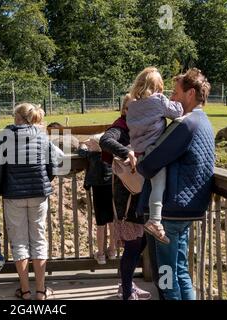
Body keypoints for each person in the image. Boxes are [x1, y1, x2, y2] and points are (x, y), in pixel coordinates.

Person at [136, 68, 215, 300]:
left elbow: (150, 163)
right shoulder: (204, 122)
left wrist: (140, 161)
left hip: (170, 213)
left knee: (166, 275)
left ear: (190, 93)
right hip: (188, 210)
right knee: (179, 271)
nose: (171, 98)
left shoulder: (185, 124)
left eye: (175, 93)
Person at [0, 103, 64, 300]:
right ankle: (41, 291)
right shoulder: (41, 135)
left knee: (19, 243)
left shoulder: (5, 136)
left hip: (14, 195)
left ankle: (24, 291)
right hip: (39, 193)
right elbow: (60, 158)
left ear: (17, 117)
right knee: (39, 240)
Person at [99, 95, 151, 300]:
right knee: (133, 245)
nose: (135, 112)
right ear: (124, 110)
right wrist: (127, 152)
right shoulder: (121, 127)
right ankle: (127, 292)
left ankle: (126, 284)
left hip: (142, 195)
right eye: (131, 108)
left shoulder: (145, 128)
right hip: (127, 198)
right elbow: (105, 140)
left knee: (142, 241)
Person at [126, 67, 183, 244]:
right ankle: (155, 221)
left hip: (140, 154)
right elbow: (177, 113)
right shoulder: (158, 101)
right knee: (159, 185)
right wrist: (178, 101)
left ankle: (151, 218)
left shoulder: (132, 105)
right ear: (158, 85)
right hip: (154, 151)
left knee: (150, 186)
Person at [78, 137, 116, 265]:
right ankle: (112, 250)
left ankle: (100, 254)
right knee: (112, 221)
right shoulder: (110, 155)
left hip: (98, 189)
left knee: (100, 223)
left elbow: (81, 152)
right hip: (110, 187)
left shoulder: (92, 155)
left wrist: (83, 143)